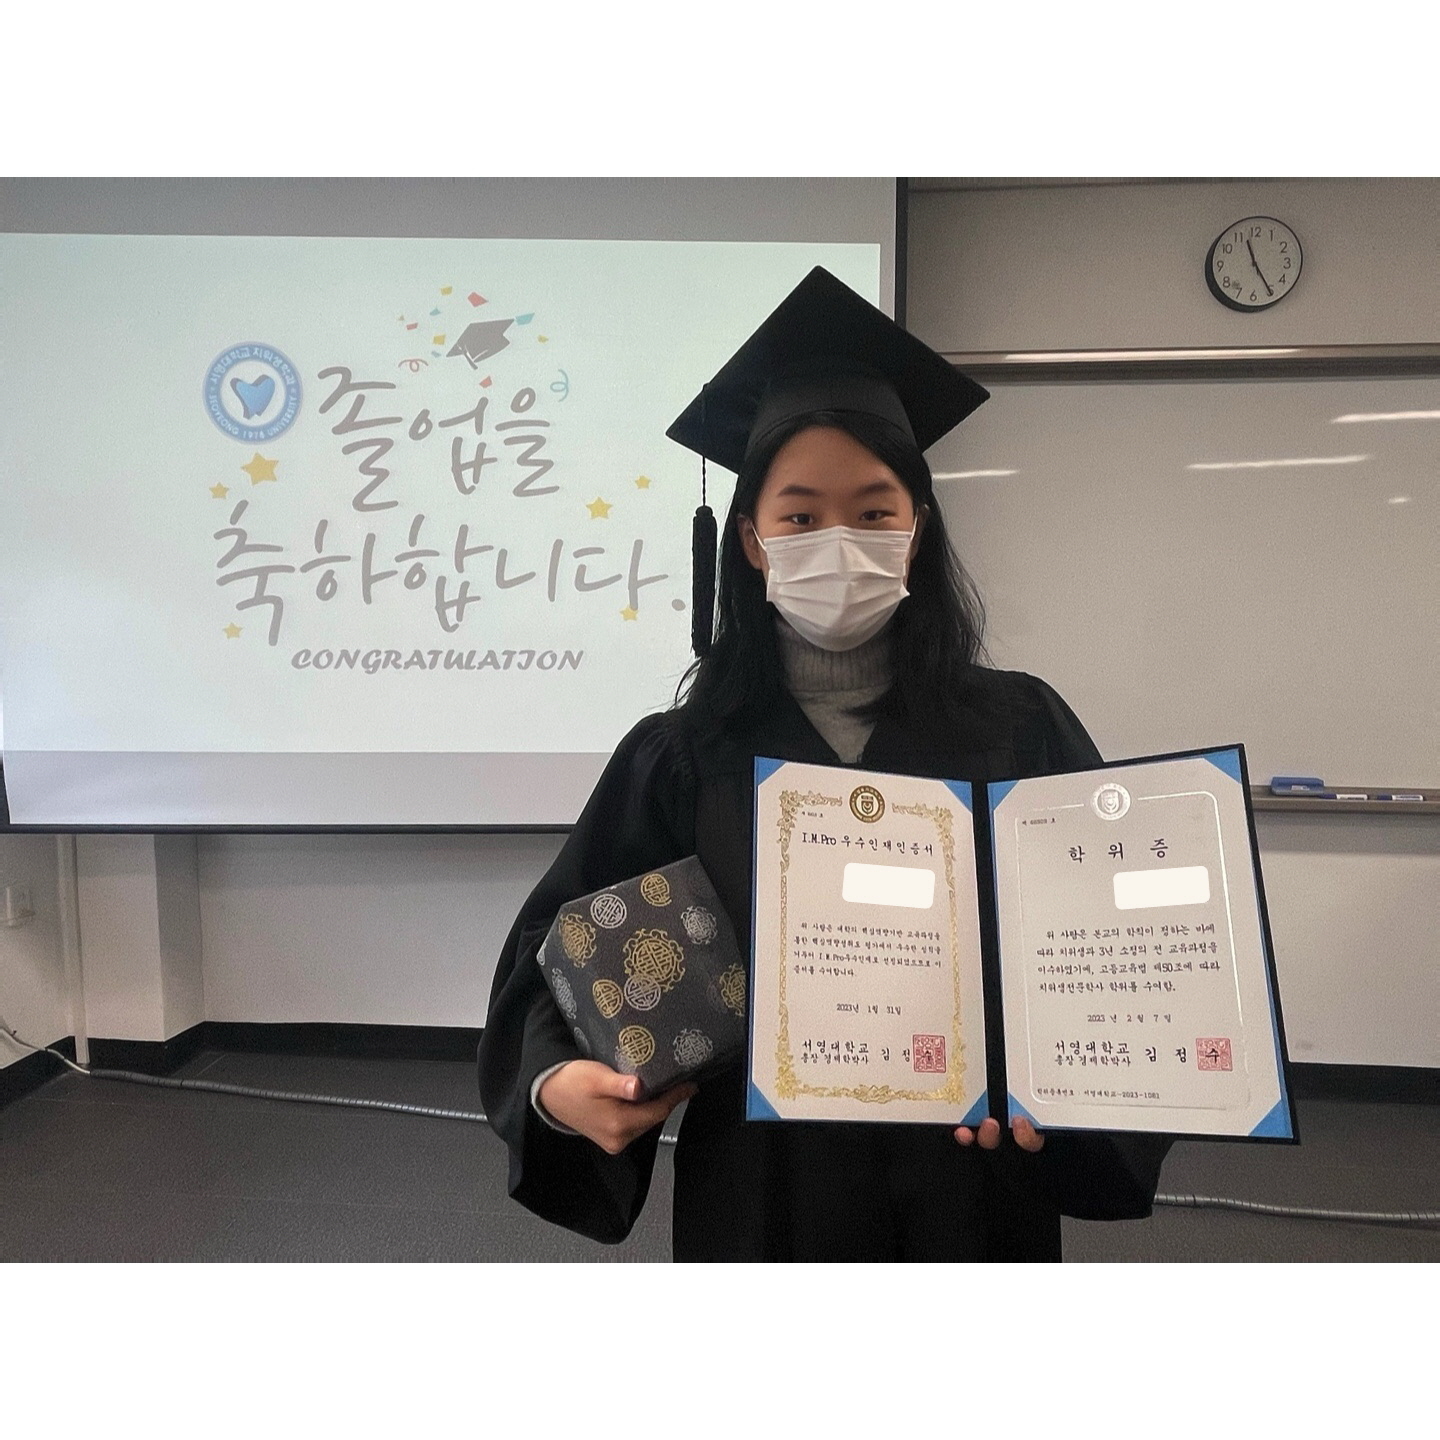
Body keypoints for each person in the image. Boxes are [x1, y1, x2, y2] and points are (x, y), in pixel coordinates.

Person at [478, 268, 1169, 1260]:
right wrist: (558, 1082)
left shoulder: (1020, 729)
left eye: (875, 512)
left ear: (917, 530)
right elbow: (561, 942)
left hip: (972, 1180)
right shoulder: (682, 757)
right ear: (752, 542)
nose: (839, 540)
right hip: (763, 1189)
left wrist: (1073, 1089)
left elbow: (1105, 934)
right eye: (800, 517)